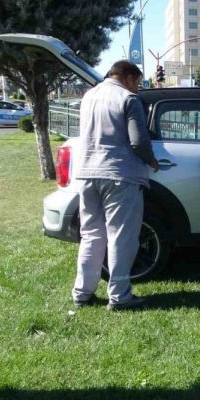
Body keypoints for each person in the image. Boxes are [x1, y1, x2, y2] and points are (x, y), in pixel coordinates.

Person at [71, 60, 159, 311]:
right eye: (137, 82)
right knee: (121, 236)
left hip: (87, 172)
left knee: (91, 235)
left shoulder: (89, 96)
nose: (138, 88)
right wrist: (151, 161)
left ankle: (82, 292)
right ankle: (120, 295)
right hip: (119, 173)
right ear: (128, 78)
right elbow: (138, 140)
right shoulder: (127, 98)